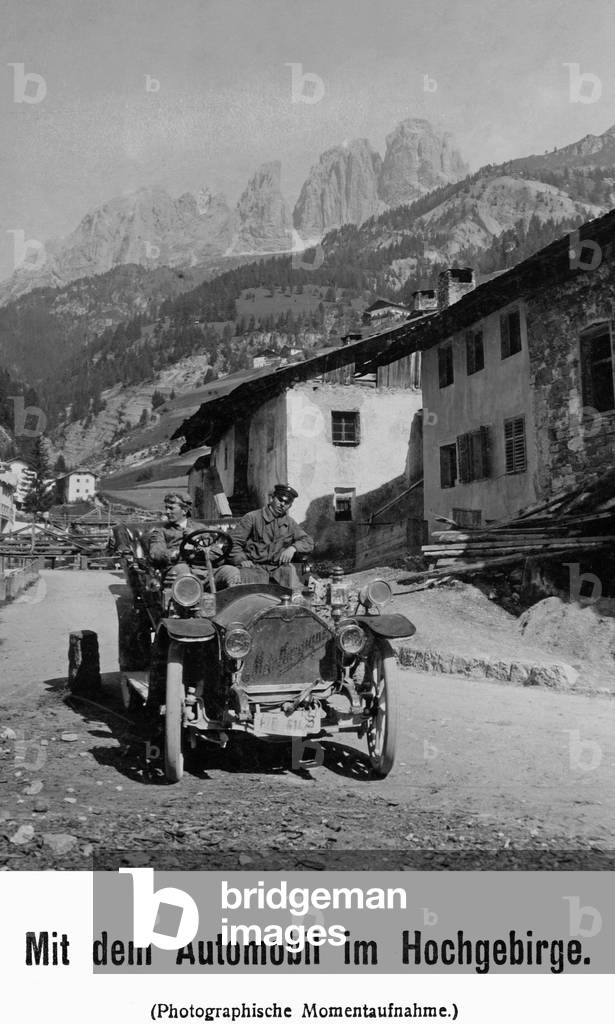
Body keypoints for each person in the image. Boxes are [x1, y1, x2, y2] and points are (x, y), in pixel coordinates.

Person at [227, 484, 314, 590]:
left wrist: (293, 548)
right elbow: (233, 542)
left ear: (290, 505)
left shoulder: (289, 523)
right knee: (248, 595)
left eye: (286, 503)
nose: (282, 504)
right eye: (280, 500)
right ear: (272, 498)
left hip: (278, 568)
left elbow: (308, 542)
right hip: (254, 567)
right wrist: (241, 559)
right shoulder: (252, 518)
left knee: (295, 594)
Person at [148, 492, 240, 589]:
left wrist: (199, 541)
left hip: (207, 572)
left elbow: (218, 557)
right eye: (166, 508)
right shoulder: (161, 532)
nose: (167, 512)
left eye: (171, 508)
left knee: (231, 571)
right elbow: (155, 553)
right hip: (180, 571)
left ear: (184, 510)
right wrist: (176, 553)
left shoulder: (202, 529)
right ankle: (188, 602)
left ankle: (232, 602)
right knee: (182, 570)